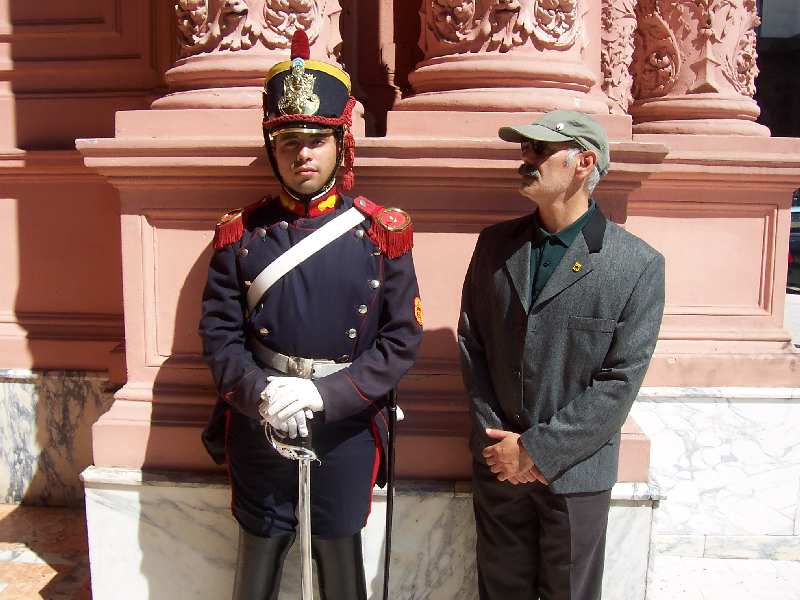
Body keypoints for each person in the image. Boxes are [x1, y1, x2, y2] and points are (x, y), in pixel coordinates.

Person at [199, 30, 422, 600]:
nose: (302, 154)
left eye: (316, 140)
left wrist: (332, 395)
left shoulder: (381, 234)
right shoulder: (240, 235)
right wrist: (258, 393)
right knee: (258, 559)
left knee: (339, 561)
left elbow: (400, 340)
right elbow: (220, 336)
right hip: (261, 424)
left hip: (344, 425)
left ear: (341, 145)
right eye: (289, 141)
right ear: (273, 149)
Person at [458, 110, 665, 600]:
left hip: (576, 476)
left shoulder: (635, 265)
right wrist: (500, 446)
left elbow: (618, 383)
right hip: (499, 465)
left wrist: (535, 451)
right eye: (524, 149)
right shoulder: (495, 247)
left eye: (540, 150)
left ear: (583, 162)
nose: (525, 159)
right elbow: (473, 344)